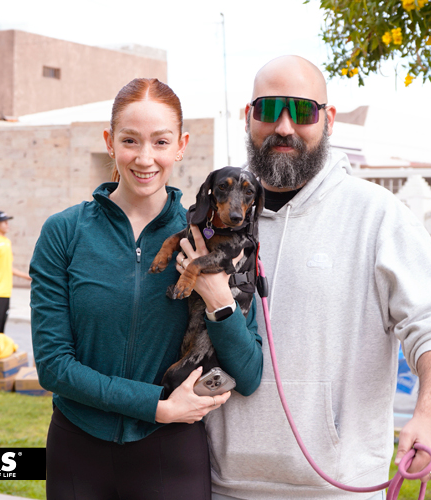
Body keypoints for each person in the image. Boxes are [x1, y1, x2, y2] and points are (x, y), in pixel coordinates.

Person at [205, 56, 431, 500]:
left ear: (328, 119)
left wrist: (429, 414)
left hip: (339, 489)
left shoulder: (377, 214)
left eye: (303, 111)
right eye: (270, 110)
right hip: (223, 487)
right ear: (249, 116)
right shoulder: (219, 215)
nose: (285, 127)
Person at [29, 78, 262, 499]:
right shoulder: (64, 232)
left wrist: (218, 296)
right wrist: (158, 405)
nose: (144, 158)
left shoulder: (214, 241)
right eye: (130, 140)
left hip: (170, 456)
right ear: (109, 141)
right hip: (77, 450)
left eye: (160, 142)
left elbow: (248, 374)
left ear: (181, 145)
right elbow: (53, 367)